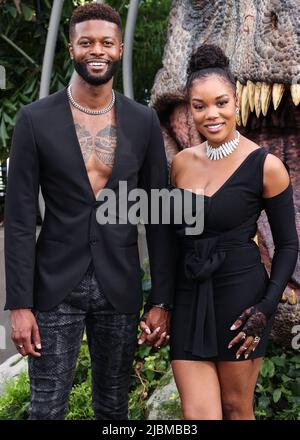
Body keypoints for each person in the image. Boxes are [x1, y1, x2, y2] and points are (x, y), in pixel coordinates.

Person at [4, 3, 175, 420]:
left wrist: (162, 300)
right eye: (86, 42)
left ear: (120, 48)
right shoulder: (34, 120)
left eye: (105, 42)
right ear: (71, 49)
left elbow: (159, 214)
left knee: (114, 407)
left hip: (119, 283)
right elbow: (22, 219)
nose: (96, 50)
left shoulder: (143, 121)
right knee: (46, 407)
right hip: (54, 285)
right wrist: (19, 305)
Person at [169, 44, 299, 420]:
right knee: (198, 415)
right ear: (189, 108)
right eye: (199, 106)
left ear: (236, 101)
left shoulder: (266, 166)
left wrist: (265, 308)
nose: (212, 114)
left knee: (236, 408)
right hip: (189, 296)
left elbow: (288, 245)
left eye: (221, 102)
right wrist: (161, 302)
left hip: (243, 302)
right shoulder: (179, 165)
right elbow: (171, 239)